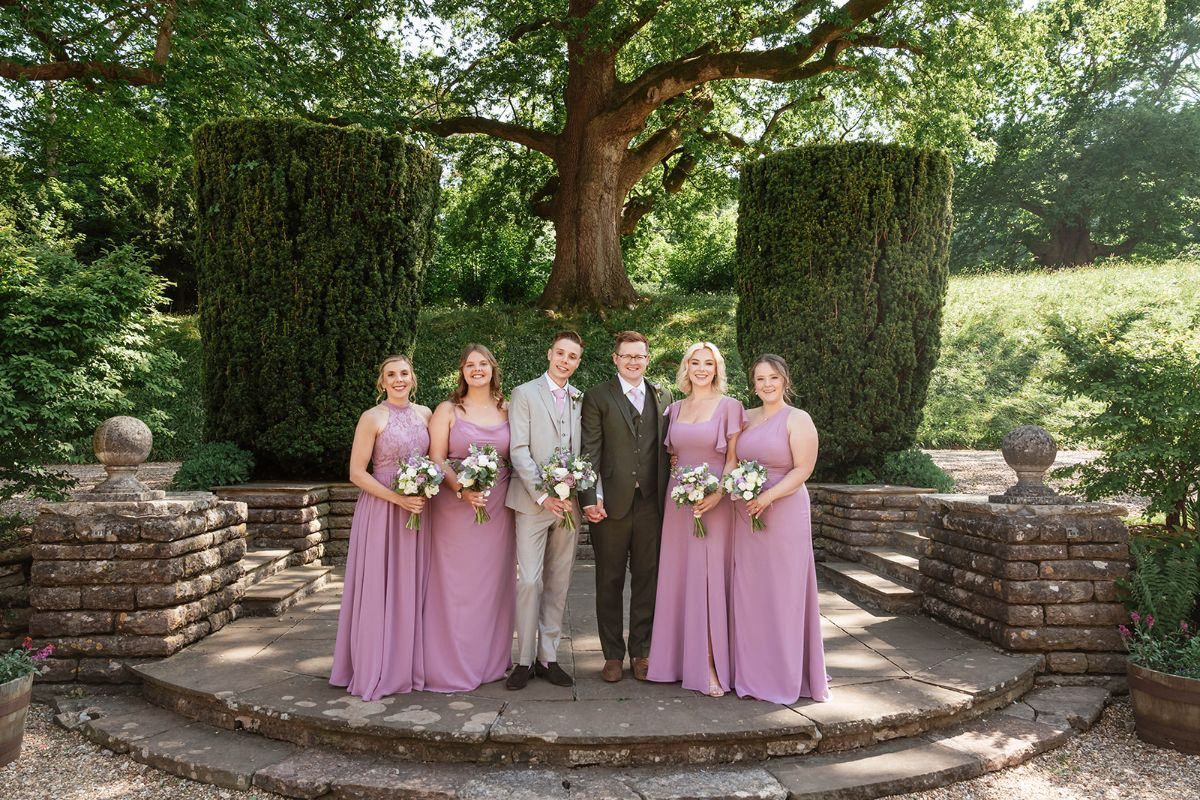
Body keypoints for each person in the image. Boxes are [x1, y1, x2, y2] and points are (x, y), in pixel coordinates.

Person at [330, 354, 433, 700]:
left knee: (412, 585)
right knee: (378, 584)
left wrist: (423, 490)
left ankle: (405, 664)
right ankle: (376, 665)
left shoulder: (426, 414)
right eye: (391, 374)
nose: (399, 379)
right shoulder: (372, 417)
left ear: (413, 377)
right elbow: (357, 473)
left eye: (404, 373)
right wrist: (397, 498)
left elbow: (435, 462)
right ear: (382, 382)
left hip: (417, 509)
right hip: (382, 508)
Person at [646, 342, 745, 697]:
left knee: (707, 579)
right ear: (685, 368)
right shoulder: (673, 408)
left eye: (709, 363)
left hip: (714, 502)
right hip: (679, 503)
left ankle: (710, 664)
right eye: (695, 362)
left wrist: (717, 494)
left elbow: (734, 458)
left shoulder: (731, 407)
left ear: (717, 368)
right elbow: (673, 458)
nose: (701, 368)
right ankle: (675, 661)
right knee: (681, 577)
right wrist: (684, 487)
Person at [731, 355, 829, 703]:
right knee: (749, 591)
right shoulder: (745, 416)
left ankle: (786, 674)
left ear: (785, 380)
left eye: (773, 378)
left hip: (784, 509)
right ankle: (751, 669)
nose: (767, 384)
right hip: (747, 512)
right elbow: (731, 457)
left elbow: (803, 469)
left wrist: (768, 496)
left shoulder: (798, 419)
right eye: (760, 379)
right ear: (753, 384)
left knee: (783, 591)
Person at [580, 331, 673, 683]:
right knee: (609, 580)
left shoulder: (663, 395)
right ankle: (612, 655)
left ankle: (641, 651)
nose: (634, 362)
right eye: (627, 356)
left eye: (640, 356)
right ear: (615, 358)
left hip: (651, 502)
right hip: (610, 504)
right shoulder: (598, 396)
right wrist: (590, 498)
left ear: (648, 359)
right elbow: (590, 451)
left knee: (648, 579)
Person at [422, 344, 515, 692]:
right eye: (470, 365)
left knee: (492, 586)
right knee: (455, 587)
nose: (477, 370)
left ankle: (489, 662)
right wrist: (461, 488)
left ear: (493, 368)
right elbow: (436, 457)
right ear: (461, 371)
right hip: (454, 509)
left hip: (498, 508)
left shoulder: (508, 408)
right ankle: (449, 664)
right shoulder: (447, 409)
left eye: (483, 364)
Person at [504, 331, 585, 690]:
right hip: (532, 503)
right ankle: (523, 660)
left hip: (569, 505)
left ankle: (548, 657)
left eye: (573, 357)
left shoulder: (580, 399)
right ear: (549, 353)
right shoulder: (524, 393)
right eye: (561, 353)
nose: (565, 361)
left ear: (578, 362)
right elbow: (518, 449)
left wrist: (576, 489)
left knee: (558, 581)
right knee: (530, 580)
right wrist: (543, 495)